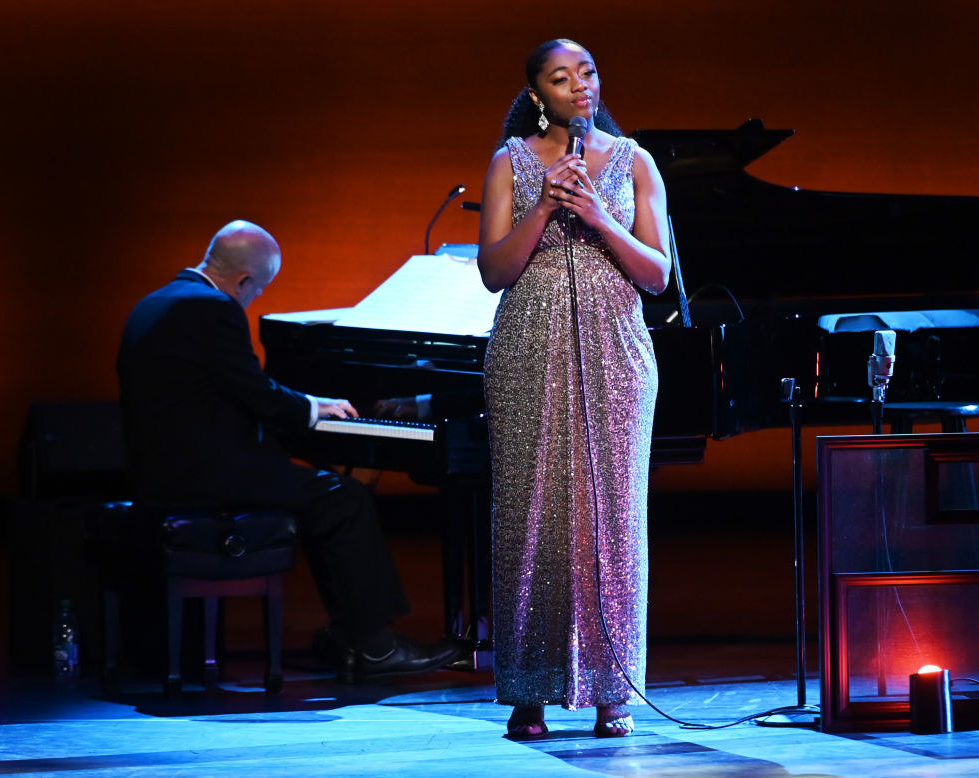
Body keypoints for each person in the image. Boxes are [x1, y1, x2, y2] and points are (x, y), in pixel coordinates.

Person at [117, 219, 460, 682]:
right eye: (258, 290)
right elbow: (254, 393)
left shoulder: (153, 303)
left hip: (157, 472)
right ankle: (375, 648)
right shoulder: (214, 309)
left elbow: (217, 394)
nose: (253, 299)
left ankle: (350, 635)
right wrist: (313, 409)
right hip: (202, 477)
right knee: (342, 498)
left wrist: (299, 415)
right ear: (243, 281)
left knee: (323, 492)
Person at [477, 39, 671, 738]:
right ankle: (528, 690)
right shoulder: (510, 162)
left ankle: (611, 690)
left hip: (616, 349)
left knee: (612, 519)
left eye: (586, 72)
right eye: (561, 78)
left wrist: (596, 215)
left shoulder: (634, 161)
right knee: (531, 514)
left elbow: (657, 274)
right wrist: (544, 209)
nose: (579, 86)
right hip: (529, 343)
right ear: (537, 94)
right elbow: (494, 271)